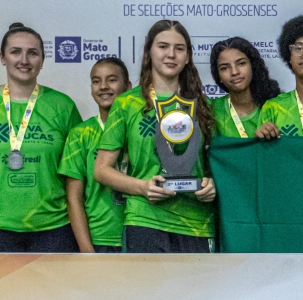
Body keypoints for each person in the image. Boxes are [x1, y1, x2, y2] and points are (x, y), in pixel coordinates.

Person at [0, 23, 81, 252]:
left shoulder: (63, 106)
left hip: (53, 228)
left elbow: (77, 169)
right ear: (3, 57)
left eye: (33, 53)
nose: (24, 60)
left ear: (42, 60)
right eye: (15, 52)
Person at [95, 20, 218, 253]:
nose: (171, 54)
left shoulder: (204, 105)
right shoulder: (126, 104)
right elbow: (101, 169)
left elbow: (217, 164)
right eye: (163, 46)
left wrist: (212, 185)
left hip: (196, 223)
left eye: (179, 48)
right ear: (149, 52)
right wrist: (142, 187)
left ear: (188, 56)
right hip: (145, 218)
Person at [59, 58, 131, 253]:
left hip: (140, 233)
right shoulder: (80, 134)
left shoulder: (141, 131)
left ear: (128, 86)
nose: (103, 86)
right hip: (99, 238)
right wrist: (87, 250)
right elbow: (74, 198)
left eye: (112, 80)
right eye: (96, 81)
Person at [209, 37, 282, 138]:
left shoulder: (279, 105)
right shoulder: (212, 109)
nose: (234, 72)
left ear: (252, 66)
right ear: (218, 76)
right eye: (224, 68)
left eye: (241, 63)